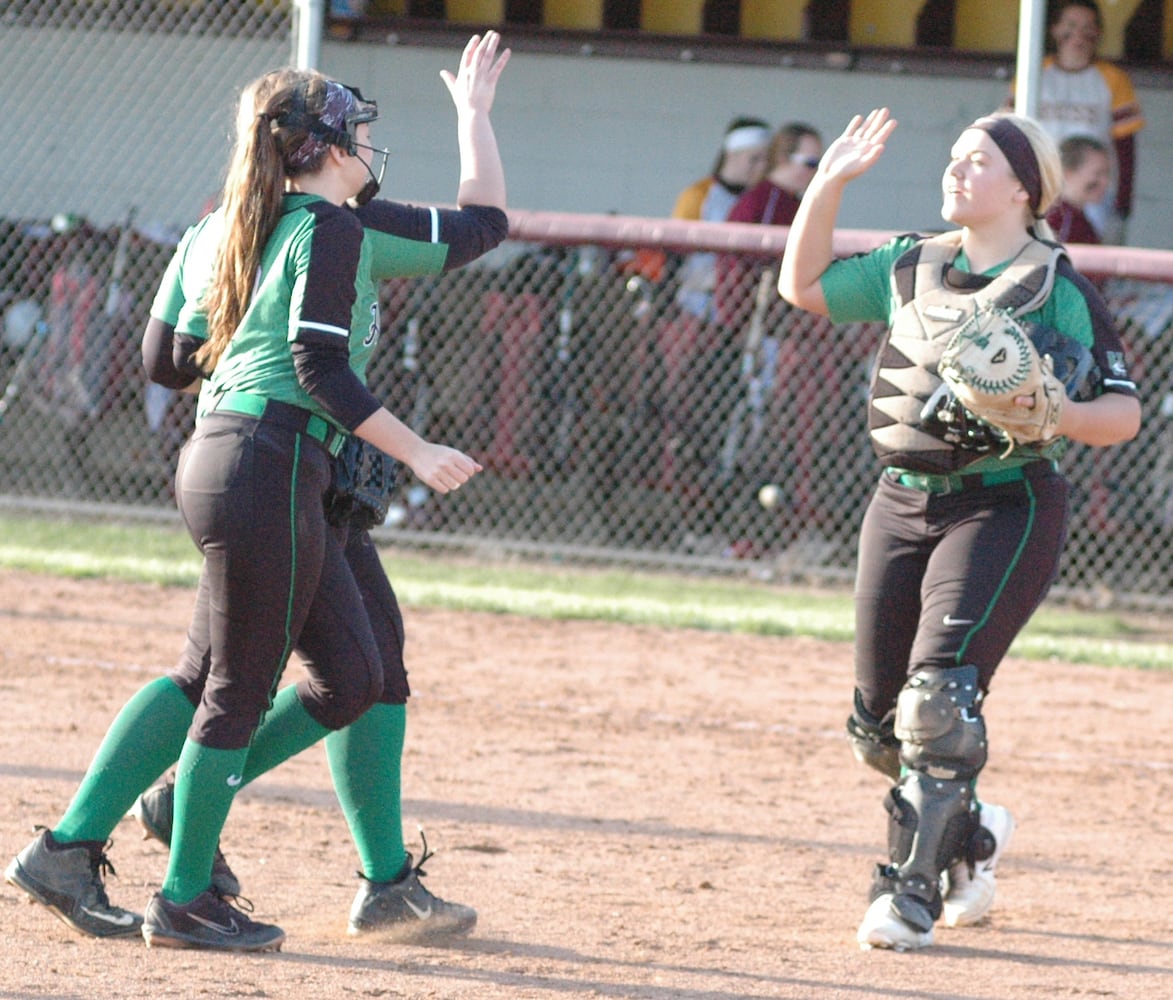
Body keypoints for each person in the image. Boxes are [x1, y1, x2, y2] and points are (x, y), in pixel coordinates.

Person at [6, 32, 510, 953]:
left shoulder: (221, 227)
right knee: (245, 690)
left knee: (330, 672)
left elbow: (163, 361)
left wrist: (246, 371)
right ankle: (188, 887)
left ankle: (78, 845)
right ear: (316, 146)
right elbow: (330, 353)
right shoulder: (332, 226)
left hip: (247, 457)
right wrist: (399, 441)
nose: (365, 143)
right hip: (273, 464)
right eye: (353, 130)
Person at [779, 107, 1140, 951]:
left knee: (936, 701)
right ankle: (970, 836)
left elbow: (1121, 415)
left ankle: (906, 895)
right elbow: (803, 287)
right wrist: (827, 184)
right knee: (877, 726)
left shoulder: (1059, 287)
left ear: (1022, 187)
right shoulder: (911, 265)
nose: (954, 171)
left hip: (1003, 504)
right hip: (899, 501)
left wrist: (1059, 408)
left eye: (975, 161)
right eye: (952, 157)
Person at [1009, 0, 1144, 243]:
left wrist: (1123, 203)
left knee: (1088, 264)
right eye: (1070, 25)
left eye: (1087, 26)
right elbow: (1010, 134)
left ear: (1099, 32)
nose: (1079, 34)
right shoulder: (1033, 72)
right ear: (1054, 29)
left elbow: (1126, 148)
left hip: (1093, 191)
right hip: (1039, 186)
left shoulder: (1113, 79)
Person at [671, 116, 771, 323]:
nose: (761, 167)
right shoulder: (699, 195)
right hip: (698, 302)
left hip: (743, 303)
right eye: (754, 159)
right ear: (732, 154)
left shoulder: (763, 201)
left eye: (765, 160)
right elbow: (675, 252)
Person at [1046, 134, 1110, 245]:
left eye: (1107, 174)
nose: (1105, 182)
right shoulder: (1060, 220)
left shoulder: (1076, 218)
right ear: (1067, 173)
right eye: (1097, 173)